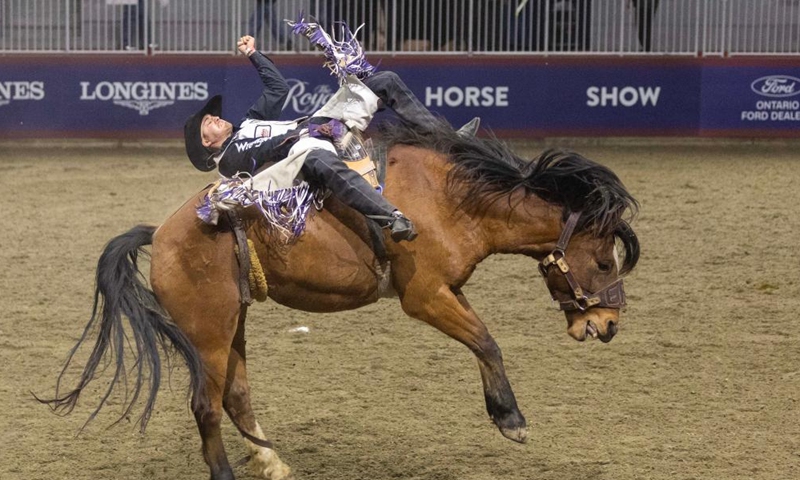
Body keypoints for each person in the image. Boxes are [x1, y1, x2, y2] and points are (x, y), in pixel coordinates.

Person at [185, 35, 477, 242]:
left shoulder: (250, 121)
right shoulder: (228, 164)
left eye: (210, 116)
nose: (213, 118)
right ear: (208, 145)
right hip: (298, 156)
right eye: (206, 125)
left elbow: (278, 89)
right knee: (319, 159)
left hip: (315, 127)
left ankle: (447, 140)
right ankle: (390, 217)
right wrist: (305, 132)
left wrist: (254, 55)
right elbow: (262, 155)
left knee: (382, 82)